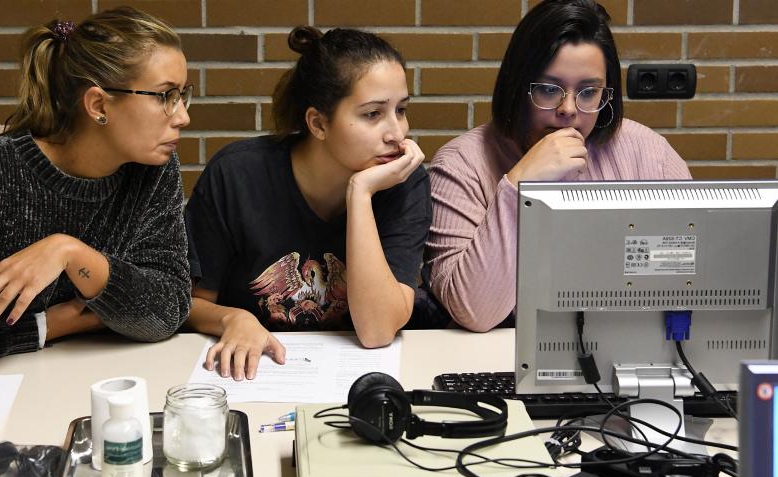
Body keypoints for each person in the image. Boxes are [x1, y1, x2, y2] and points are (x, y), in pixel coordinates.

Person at [0, 6, 193, 365]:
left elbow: (169, 310)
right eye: (165, 96)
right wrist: (47, 326)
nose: (183, 115)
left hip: (84, 374)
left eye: (183, 94)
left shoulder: (153, 170)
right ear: (98, 104)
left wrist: (70, 254)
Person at [425, 0, 691, 332]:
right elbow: (475, 312)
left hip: (628, 352)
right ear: (518, 87)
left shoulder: (648, 155)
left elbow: (688, 282)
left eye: (588, 92)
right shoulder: (461, 165)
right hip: (503, 361)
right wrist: (518, 185)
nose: (568, 109)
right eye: (549, 90)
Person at [185, 26, 431, 381]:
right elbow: (190, 304)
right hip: (249, 373)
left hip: (353, 377)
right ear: (318, 123)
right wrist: (233, 318)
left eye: (401, 109)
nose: (397, 133)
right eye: (373, 114)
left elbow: (377, 331)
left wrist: (360, 194)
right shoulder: (237, 175)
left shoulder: (405, 184)